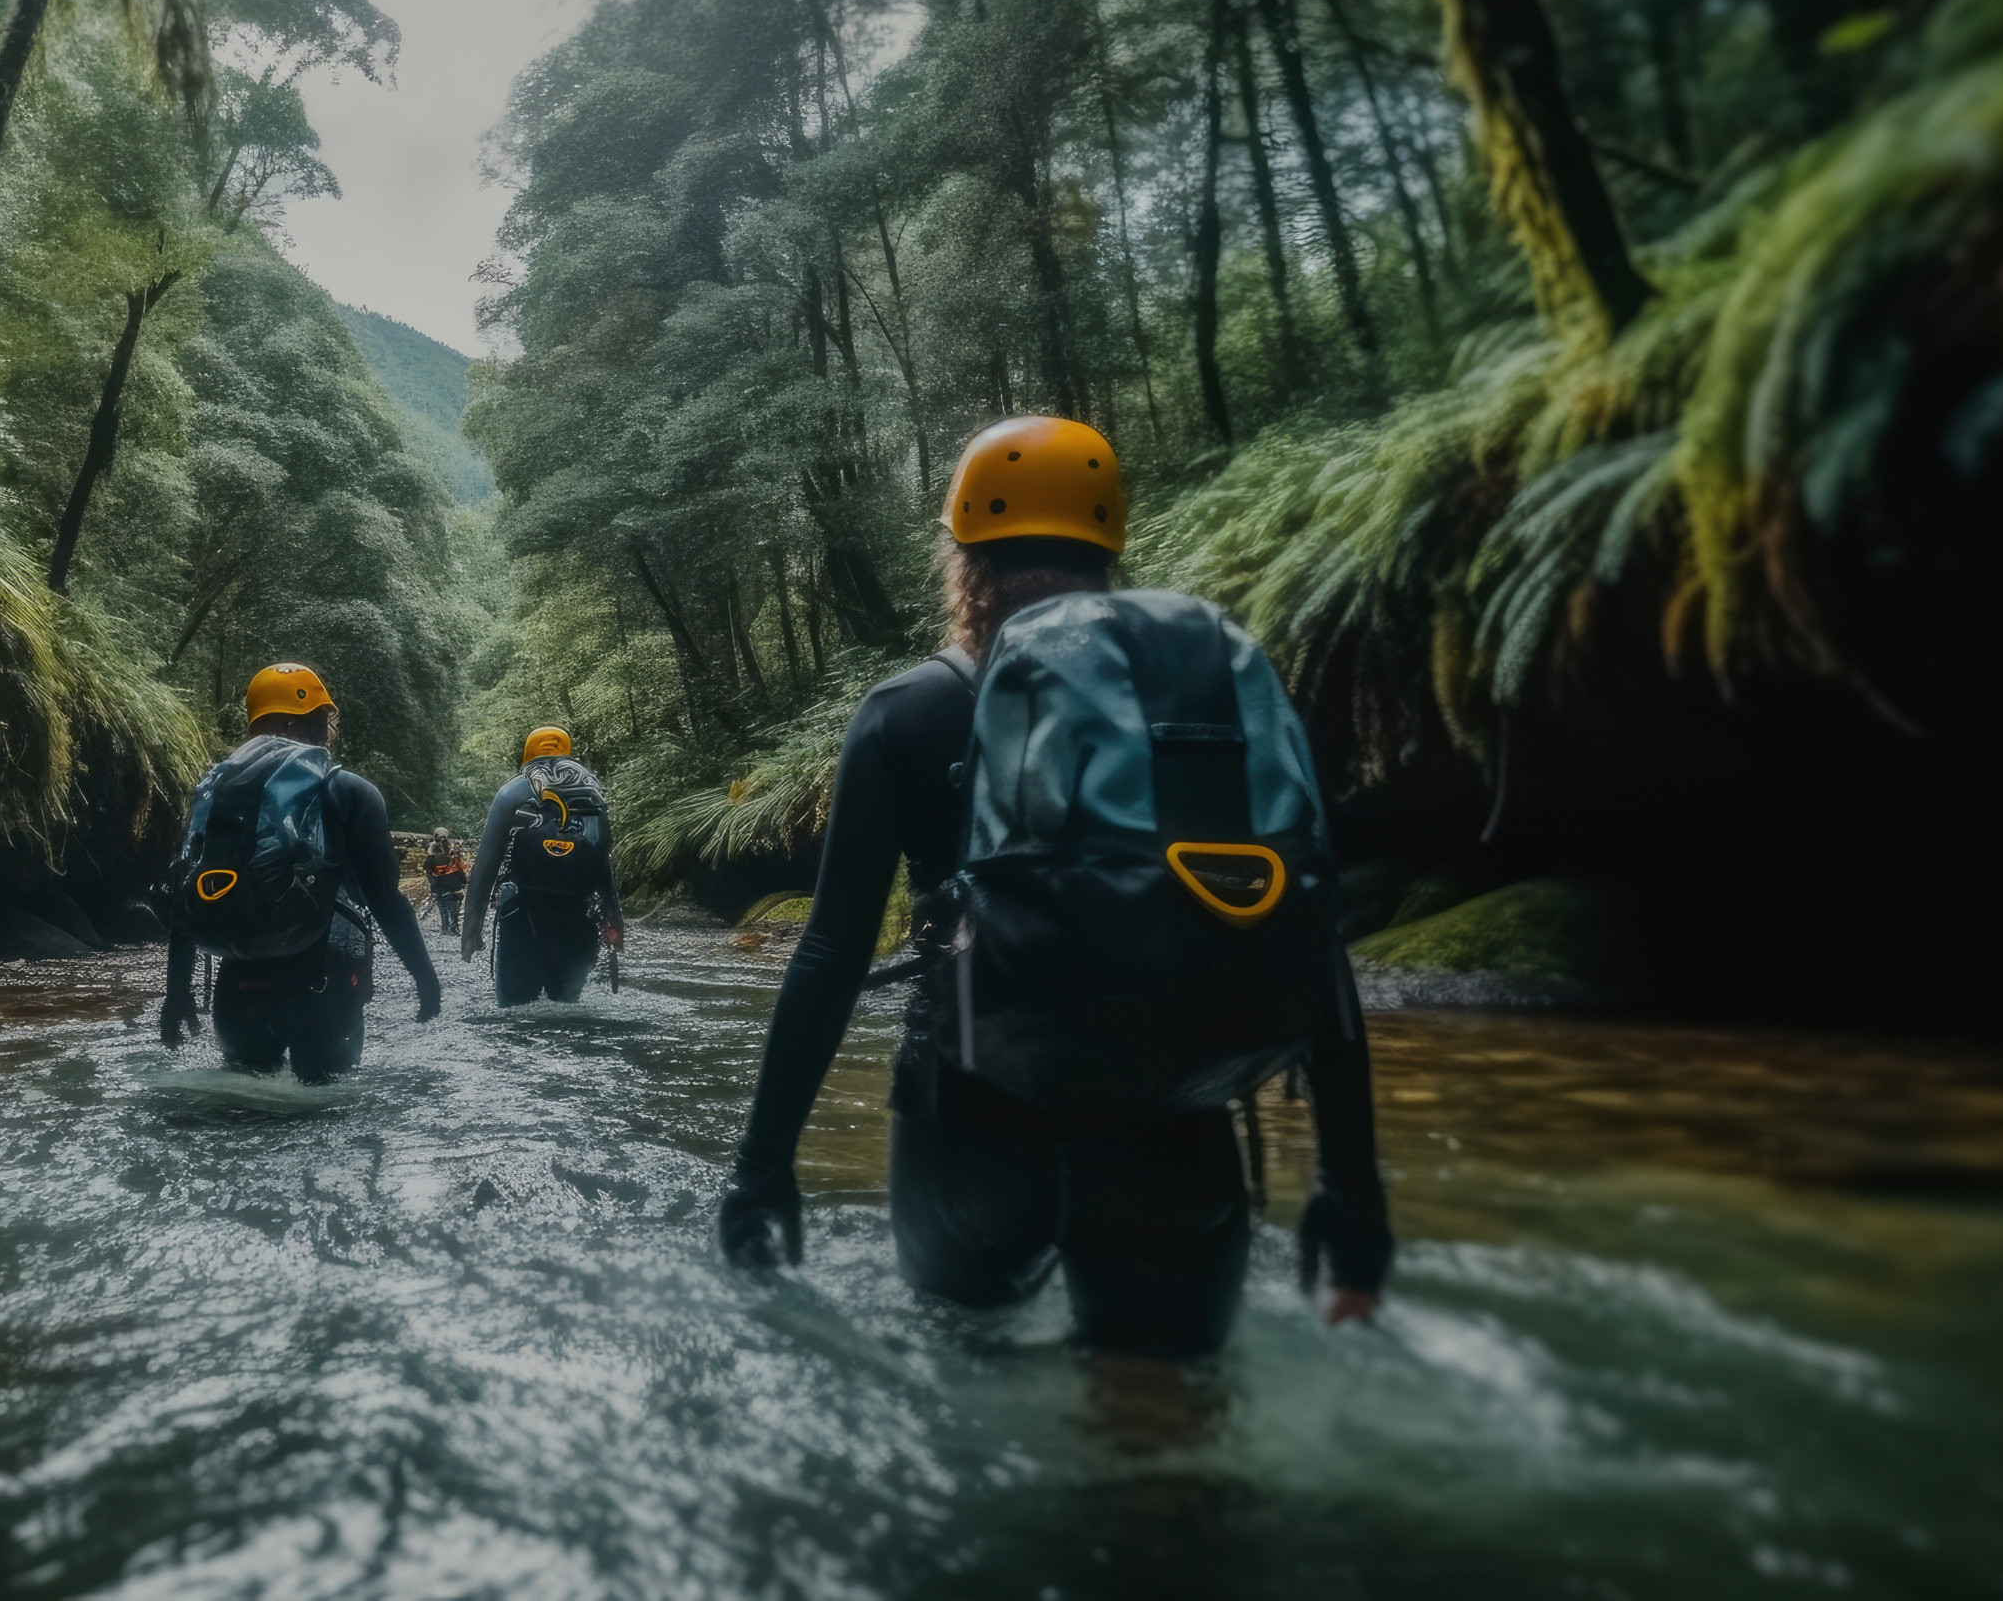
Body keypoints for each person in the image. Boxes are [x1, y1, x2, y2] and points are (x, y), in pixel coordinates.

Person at [714, 417, 1393, 1358]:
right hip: (1178, 1125)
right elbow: (1308, 932)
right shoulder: (1200, 702)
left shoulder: (904, 714)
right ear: (1111, 547)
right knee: (1160, 1432)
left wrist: (763, 1168)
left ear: (962, 559)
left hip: (974, 1128)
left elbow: (830, 953)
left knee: (968, 1389)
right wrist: (1350, 1186)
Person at [161, 663, 440, 1081]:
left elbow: (190, 889)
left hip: (238, 979)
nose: (324, 731)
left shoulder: (216, 789)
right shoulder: (349, 790)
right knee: (325, 1109)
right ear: (305, 723)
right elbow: (386, 901)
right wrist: (426, 980)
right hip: (324, 977)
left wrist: (177, 993)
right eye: (322, 721)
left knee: (240, 1111)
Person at [461, 726, 627, 1005]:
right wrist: (614, 922)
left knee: (514, 1013)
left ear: (528, 754)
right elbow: (602, 865)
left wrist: (471, 933)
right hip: (578, 919)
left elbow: (485, 868)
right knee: (566, 1013)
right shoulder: (591, 792)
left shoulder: (512, 792)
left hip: (521, 917)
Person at [424, 829, 469, 934]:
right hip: (451, 879)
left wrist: (433, 882)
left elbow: (427, 868)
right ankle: (452, 926)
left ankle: (447, 927)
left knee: (444, 901)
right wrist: (463, 878)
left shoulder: (434, 849)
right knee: (453, 901)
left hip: (443, 881)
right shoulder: (448, 848)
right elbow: (460, 865)